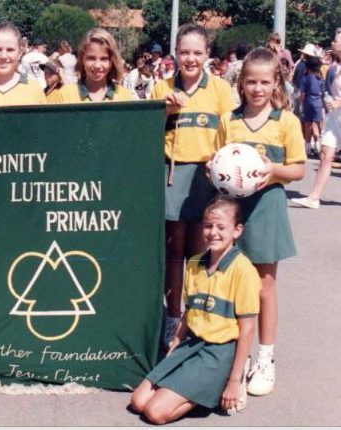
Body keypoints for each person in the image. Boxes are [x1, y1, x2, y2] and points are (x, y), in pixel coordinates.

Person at [216, 47, 305, 396]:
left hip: (267, 207)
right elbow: (217, 162)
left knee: (264, 287)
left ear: (276, 82)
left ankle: (265, 358)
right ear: (242, 82)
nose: (257, 89)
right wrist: (217, 171)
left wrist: (273, 169)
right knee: (231, 283)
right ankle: (231, 356)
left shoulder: (286, 122)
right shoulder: (230, 120)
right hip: (232, 209)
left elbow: (298, 170)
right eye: (251, 82)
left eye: (265, 82)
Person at [130, 195, 260, 424]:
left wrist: (233, 380)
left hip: (218, 352)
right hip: (191, 344)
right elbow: (189, 313)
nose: (213, 233)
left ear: (237, 230)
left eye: (221, 227)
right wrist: (175, 346)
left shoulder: (243, 270)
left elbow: (247, 329)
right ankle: (195, 386)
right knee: (138, 401)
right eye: (208, 226)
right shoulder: (195, 264)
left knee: (155, 412)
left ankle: (218, 386)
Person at [150, 23, 234, 348]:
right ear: (175, 53)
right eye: (184, 52)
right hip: (171, 174)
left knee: (201, 252)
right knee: (174, 252)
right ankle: (173, 317)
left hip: (206, 177)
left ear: (207, 54)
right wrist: (164, 112)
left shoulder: (220, 89)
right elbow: (147, 133)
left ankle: (196, 317)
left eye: (197, 52)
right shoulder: (162, 87)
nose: (190, 58)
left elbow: (230, 135)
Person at [292, 31, 341, 209]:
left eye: (336, 41)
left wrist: (339, 102)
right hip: (334, 118)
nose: (333, 43)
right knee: (325, 154)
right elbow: (326, 90)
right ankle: (313, 197)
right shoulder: (333, 68)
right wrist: (328, 100)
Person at [50, 28, 135, 103]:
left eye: (104, 59)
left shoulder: (124, 97)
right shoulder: (65, 96)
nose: (97, 65)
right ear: (82, 59)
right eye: (91, 58)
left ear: (112, 61)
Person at [299, 56, 325, 156]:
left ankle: (308, 147)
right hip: (318, 103)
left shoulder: (305, 78)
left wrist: (301, 105)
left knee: (308, 125)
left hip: (308, 103)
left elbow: (302, 94)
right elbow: (323, 93)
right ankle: (318, 146)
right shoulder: (320, 78)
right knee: (318, 125)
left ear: (308, 67)